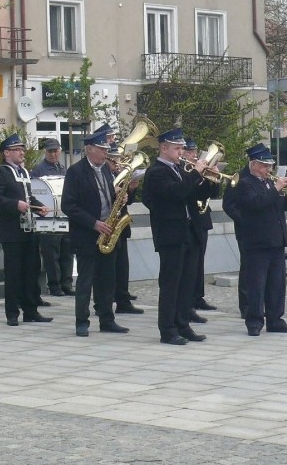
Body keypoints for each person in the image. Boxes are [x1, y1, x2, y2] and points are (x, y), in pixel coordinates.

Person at [141, 127, 208, 345]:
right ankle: (167, 329)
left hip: (188, 232)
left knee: (187, 282)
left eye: (182, 148)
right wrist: (196, 173)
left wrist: (207, 180)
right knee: (171, 284)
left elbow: (193, 194)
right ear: (164, 148)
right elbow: (177, 193)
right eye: (177, 148)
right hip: (170, 235)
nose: (181, 152)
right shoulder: (157, 172)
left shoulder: (179, 169)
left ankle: (183, 324)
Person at [61, 130, 130, 337]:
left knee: (107, 280)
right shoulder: (76, 172)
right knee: (85, 281)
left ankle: (107, 319)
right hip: (87, 235)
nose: (106, 153)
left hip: (109, 232)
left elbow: (107, 197)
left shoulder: (108, 171)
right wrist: (94, 223)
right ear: (89, 149)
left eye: (106, 149)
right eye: (102, 149)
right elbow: (68, 206)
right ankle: (82, 321)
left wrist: (121, 196)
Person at [0, 134, 53, 326]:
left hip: (29, 231)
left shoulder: (23, 172)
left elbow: (28, 198)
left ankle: (31, 310)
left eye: (22, 149)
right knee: (14, 274)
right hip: (12, 233)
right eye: (17, 150)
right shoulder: (1, 173)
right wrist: (15, 204)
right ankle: (12, 313)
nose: (22, 152)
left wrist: (40, 207)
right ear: (6, 153)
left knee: (32, 271)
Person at [235, 143, 287, 336]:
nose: (268, 170)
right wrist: (276, 188)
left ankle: (275, 319)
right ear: (254, 164)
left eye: (270, 166)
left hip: (276, 240)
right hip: (257, 242)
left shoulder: (269, 184)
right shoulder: (245, 183)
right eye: (264, 166)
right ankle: (254, 321)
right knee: (257, 284)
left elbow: (284, 206)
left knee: (276, 284)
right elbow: (256, 204)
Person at [30, 138, 74, 297]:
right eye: (50, 151)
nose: (53, 154)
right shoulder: (38, 171)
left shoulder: (64, 169)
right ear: (45, 152)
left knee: (67, 253)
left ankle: (67, 284)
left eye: (55, 151)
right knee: (52, 255)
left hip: (64, 216)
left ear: (60, 151)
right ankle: (55, 287)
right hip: (48, 219)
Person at [184, 138, 221, 322]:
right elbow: (187, 192)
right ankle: (186, 304)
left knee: (198, 263)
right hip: (186, 223)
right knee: (187, 266)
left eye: (195, 152)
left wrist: (214, 179)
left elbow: (211, 194)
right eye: (190, 152)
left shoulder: (196, 171)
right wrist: (197, 175)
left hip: (200, 219)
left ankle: (197, 297)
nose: (194, 155)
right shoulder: (186, 172)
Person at [105, 143, 143, 315]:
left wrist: (131, 190)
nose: (117, 163)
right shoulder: (104, 175)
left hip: (120, 225)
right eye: (114, 159)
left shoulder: (119, 175)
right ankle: (105, 303)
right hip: (107, 225)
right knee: (109, 268)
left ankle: (123, 300)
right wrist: (113, 191)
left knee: (122, 266)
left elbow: (127, 202)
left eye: (118, 159)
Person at [221, 163, 251, 319]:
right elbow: (228, 205)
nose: (268, 168)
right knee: (247, 267)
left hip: (265, 231)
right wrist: (245, 220)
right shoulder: (240, 178)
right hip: (246, 229)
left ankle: (260, 304)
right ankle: (246, 306)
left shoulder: (265, 179)